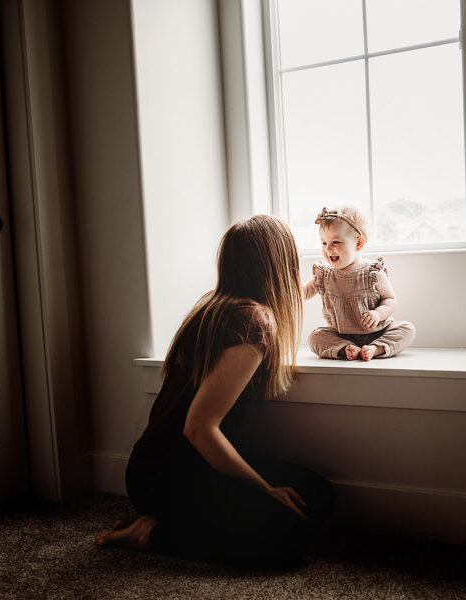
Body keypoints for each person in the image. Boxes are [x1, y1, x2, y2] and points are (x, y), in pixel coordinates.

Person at [96, 215, 334, 568]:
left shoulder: (218, 305)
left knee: (317, 493)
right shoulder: (254, 322)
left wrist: (320, 283)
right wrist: (264, 488)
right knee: (286, 536)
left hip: (163, 467)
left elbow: (286, 297)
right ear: (278, 265)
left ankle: (170, 522)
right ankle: (151, 534)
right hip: (171, 476)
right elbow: (199, 427)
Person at [304, 206, 416, 361]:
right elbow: (305, 291)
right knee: (314, 337)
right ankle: (346, 348)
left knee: (407, 329)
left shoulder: (372, 273)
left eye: (335, 242)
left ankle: (375, 348)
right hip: (341, 335)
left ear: (359, 244)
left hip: (378, 332)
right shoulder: (325, 274)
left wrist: (378, 314)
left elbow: (390, 299)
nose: (328, 249)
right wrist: (289, 282)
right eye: (324, 243)